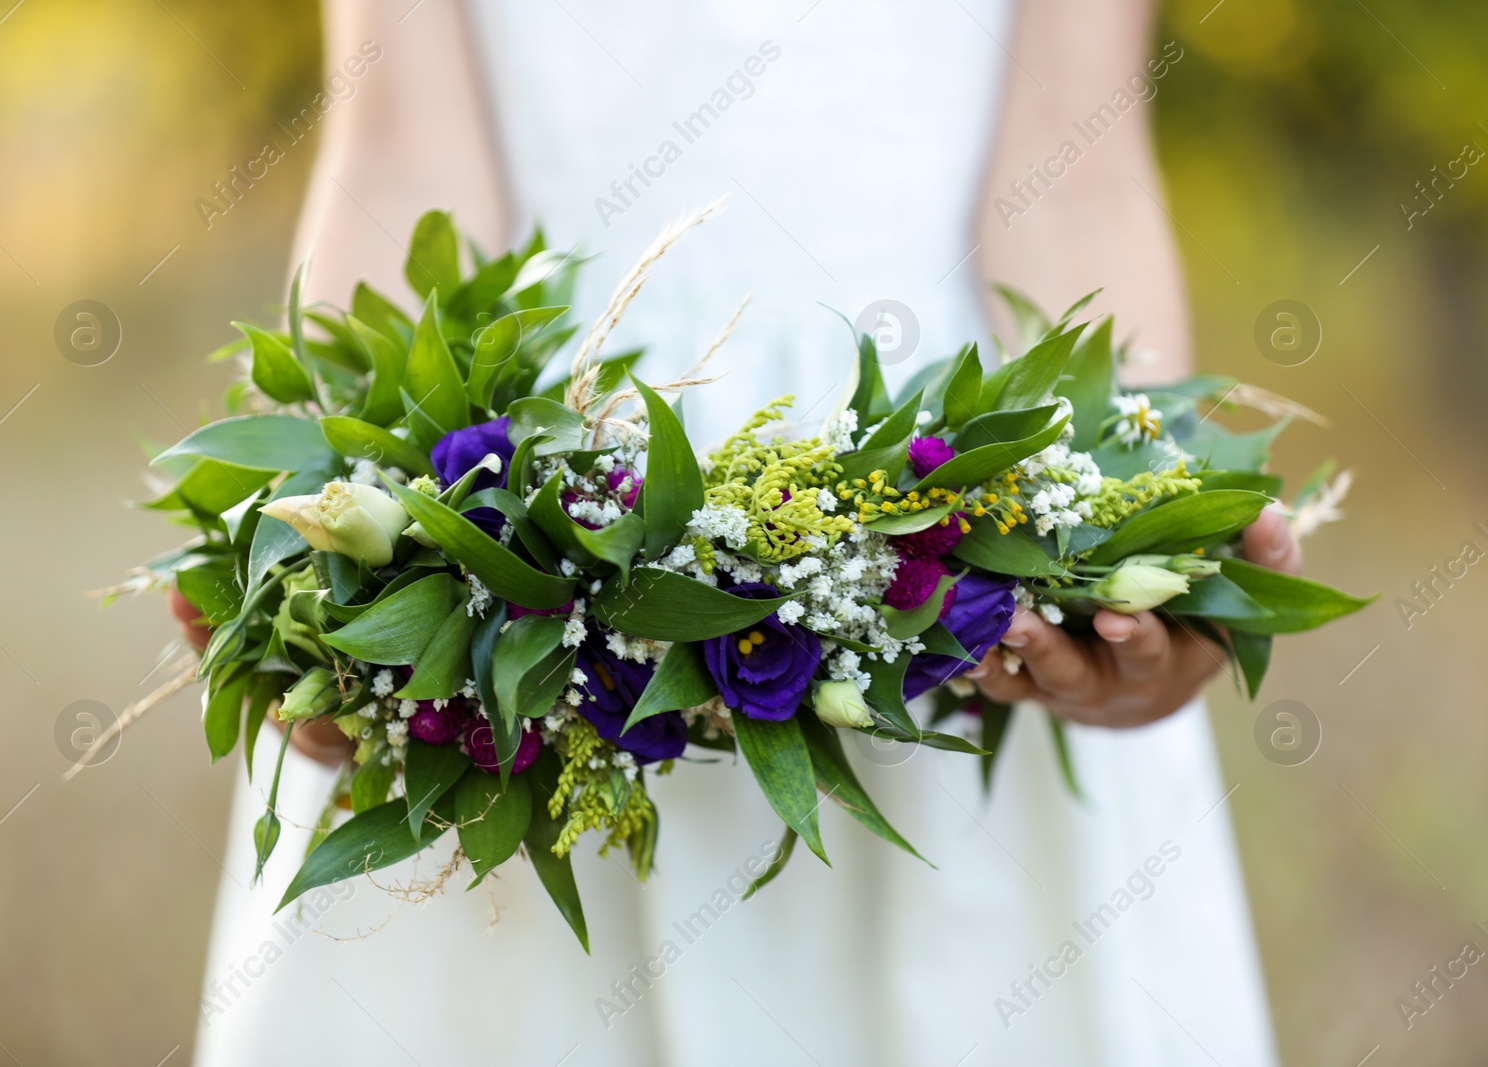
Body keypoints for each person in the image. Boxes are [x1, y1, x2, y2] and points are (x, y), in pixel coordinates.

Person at [187, 2, 1298, 1063]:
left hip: (937, 484)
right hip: (538, 480)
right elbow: (402, 160)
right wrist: (331, 560)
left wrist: (1128, 527)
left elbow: (1071, 177)